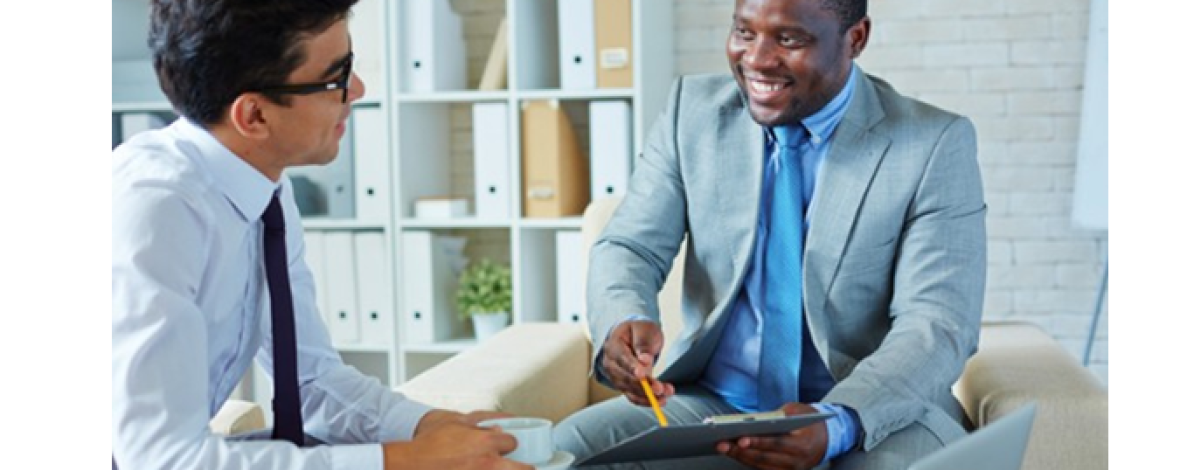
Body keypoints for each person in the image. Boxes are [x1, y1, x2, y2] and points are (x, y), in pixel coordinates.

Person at [554, 0, 986, 468]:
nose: (757, 59)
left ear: (856, 39)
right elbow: (630, 246)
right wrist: (623, 318)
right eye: (745, 32)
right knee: (571, 448)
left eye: (789, 39)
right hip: (717, 407)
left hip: (870, 416)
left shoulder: (932, 143)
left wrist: (837, 422)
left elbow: (936, 322)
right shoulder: (691, 112)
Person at [111, 1, 528, 469]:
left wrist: (425, 426)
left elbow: (311, 378)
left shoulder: (264, 186)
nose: (358, 90)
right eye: (337, 77)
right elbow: (161, 459)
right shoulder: (154, 212)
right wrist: (404, 461)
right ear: (254, 116)